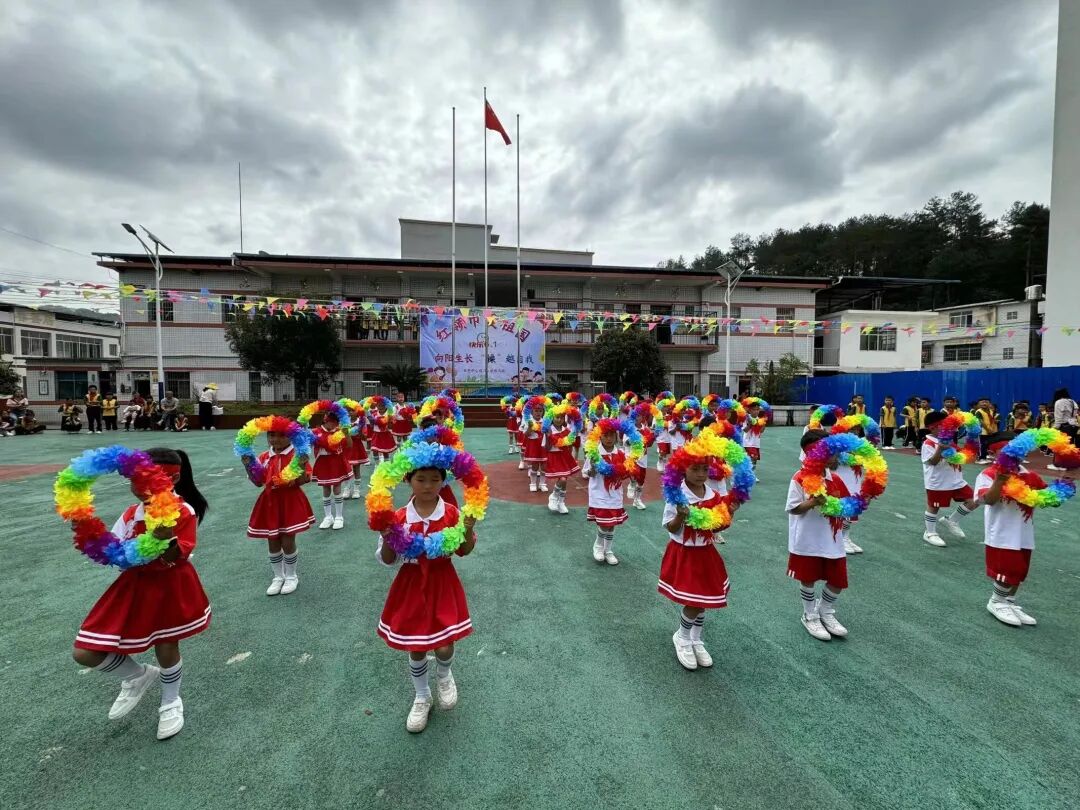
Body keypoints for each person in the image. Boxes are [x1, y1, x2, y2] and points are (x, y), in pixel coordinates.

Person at [70, 447, 210, 741]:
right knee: (84, 651)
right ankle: (137, 675)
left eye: (147, 479)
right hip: (133, 586)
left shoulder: (183, 510)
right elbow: (118, 553)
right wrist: (90, 536)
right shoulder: (131, 514)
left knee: (166, 643)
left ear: (168, 480)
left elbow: (177, 556)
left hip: (170, 584)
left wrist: (165, 541)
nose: (139, 487)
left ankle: (171, 700)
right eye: (135, 479)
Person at [376, 465, 477, 733]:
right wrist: (387, 533)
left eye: (435, 479)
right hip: (410, 584)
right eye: (421, 479)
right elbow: (388, 559)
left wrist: (467, 529)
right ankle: (422, 696)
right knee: (416, 645)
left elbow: (464, 550)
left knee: (444, 645)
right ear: (408, 480)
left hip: (442, 582)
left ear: (444, 482)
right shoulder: (398, 517)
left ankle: (444, 676)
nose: (428, 485)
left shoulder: (452, 513)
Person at [660, 452, 739, 669]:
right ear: (682, 470)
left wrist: (729, 514)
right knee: (694, 602)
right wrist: (681, 515)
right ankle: (683, 637)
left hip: (706, 553)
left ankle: (695, 638)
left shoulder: (712, 495)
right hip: (684, 553)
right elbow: (670, 527)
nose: (701, 474)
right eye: (694, 469)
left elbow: (715, 526)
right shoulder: (677, 495)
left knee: (703, 601)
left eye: (705, 469)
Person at [786, 431, 852, 641]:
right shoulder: (800, 478)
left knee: (838, 580)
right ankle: (809, 614)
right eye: (828, 451)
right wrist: (814, 502)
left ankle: (825, 610)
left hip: (832, 539)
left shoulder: (836, 479)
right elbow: (793, 508)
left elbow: (846, 505)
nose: (834, 455)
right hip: (807, 539)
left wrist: (848, 509)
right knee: (808, 578)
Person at [976, 444, 1048, 627]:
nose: (1013, 454)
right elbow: (988, 500)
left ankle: (1009, 601)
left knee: (1020, 569)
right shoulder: (988, 474)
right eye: (1006, 450)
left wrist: (1065, 482)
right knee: (1008, 569)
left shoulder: (1029, 475)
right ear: (994, 453)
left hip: (1024, 531)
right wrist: (999, 481)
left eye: (1017, 449)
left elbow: (1046, 496)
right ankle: (996, 601)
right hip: (1002, 532)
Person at [244, 427, 315, 595]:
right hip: (269, 501)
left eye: (281, 435)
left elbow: (304, 480)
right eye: (271, 435)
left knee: (287, 539)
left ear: (291, 437)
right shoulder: (264, 457)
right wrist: (248, 465)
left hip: (290, 501)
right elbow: (258, 482)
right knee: (272, 539)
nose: (275, 439)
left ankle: (291, 576)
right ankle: (278, 576)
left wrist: (302, 465)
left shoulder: (296, 455)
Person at [920, 410, 979, 547]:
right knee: (934, 507)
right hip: (938, 483)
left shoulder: (950, 442)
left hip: (957, 481)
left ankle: (951, 520)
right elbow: (932, 462)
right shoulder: (928, 443)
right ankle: (930, 533)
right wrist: (940, 449)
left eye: (949, 425)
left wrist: (971, 450)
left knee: (974, 500)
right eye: (943, 425)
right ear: (932, 427)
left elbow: (961, 456)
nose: (948, 429)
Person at [581, 421, 628, 565]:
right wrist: (593, 470)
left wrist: (626, 472)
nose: (609, 438)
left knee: (612, 524)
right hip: (599, 493)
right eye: (605, 435)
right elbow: (586, 472)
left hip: (615, 494)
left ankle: (608, 550)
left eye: (611, 435)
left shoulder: (621, 454)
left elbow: (625, 472)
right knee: (603, 523)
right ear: (599, 437)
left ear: (616, 437)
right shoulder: (594, 454)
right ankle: (598, 546)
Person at [312, 412, 351, 530]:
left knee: (337, 487)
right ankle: (328, 517)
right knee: (326, 488)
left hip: (336, 462)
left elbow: (349, 445)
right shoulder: (316, 432)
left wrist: (347, 434)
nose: (334, 424)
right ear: (326, 420)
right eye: (332, 421)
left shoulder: (339, 431)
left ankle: (339, 517)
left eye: (336, 422)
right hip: (323, 462)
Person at [543, 408, 580, 514]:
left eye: (561, 417)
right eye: (557, 417)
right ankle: (554, 496)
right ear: (552, 418)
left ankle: (561, 502)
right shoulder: (548, 430)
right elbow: (546, 448)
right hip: (554, 456)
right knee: (562, 479)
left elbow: (569, 445)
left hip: (564, 457)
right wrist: (549, 436)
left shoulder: (567, 430)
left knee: (565, 481)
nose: (559, 419)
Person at [521, 399, 548, 493]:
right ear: (531, 412)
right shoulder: (529, 421)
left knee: (544, 466)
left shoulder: (545, 421)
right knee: (535, 466)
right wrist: (530, 427)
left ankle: (542, 484)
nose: (538, 413)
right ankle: (532, 484)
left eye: (540, 411)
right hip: (533, 446)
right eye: (536, 410)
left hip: (543, 446)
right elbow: (526, 435)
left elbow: (548, 433)